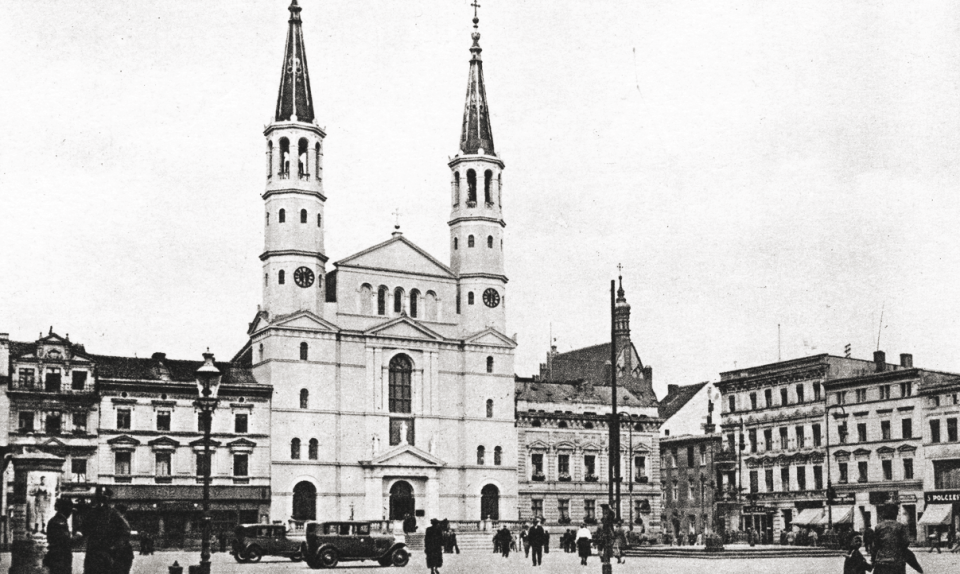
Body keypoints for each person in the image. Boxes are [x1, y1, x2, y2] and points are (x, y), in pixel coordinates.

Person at [83, 487, 133, 574]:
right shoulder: (91, 513)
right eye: (99, 498)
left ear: (108, 499)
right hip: (92, 554)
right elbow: (83, 529)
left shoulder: (113, 514)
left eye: (104, 498)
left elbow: (126, 531)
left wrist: (114, 548)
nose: (101, 502)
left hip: (106, 555)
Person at [871, 504, 912, 574]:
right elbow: (906, 542)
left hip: (881, 562)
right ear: (896, 513)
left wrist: (873, 560)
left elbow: (875, 545)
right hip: (897, 562)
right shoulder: (900, 526)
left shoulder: (878, 527)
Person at [45, 498, 78, 574]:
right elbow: (66, 542)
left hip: (58, 559)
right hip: (60, 560)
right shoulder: (59, 522)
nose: (70, 513)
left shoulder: (57, 520)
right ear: (65, 510)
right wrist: (78, 535)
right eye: (69, 510)